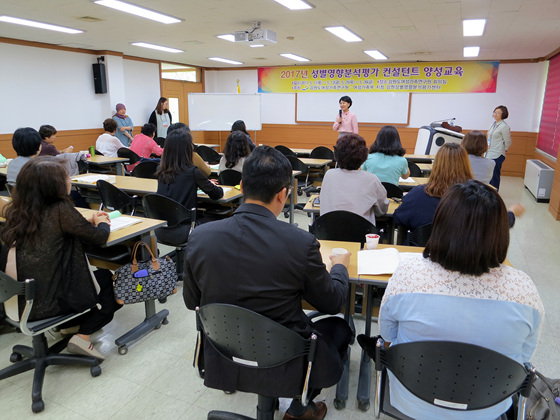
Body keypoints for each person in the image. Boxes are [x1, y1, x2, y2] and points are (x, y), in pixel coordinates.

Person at [183, 146, 352, 420]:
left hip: (224, 352)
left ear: (241, 184)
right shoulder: (300, 244)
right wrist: (340, 267)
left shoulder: (200, 237)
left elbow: (192, 302)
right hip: (284, 361)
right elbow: (333, 302)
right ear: (283, 194)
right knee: (339, 329)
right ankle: (300, 406)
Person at [359, 180, 544, 419]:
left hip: (412, 400)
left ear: (441, 225)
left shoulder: (407, 275)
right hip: (488, 407)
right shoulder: (524, 290)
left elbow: (388, 336)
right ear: (500, 232)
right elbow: (523, 357)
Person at [0, 157, 122, 360]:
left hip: (18, 300)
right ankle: (82, 336)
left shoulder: (18, 210)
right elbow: (99, 237)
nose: (70, 180)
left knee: (94, 278)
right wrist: (102, 222)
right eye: (66, 176)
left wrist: (83, 220)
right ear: (53, 185)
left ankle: (69, 326)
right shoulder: (59, 209)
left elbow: (49, 230)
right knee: (107, 281)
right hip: (48, 302)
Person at [156, 129, 223, 243]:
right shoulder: (192, 172)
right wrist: (207, 183)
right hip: (183, 231)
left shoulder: (160, 170)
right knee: (219, 218)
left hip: (160, 230)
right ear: (188, 149)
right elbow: (217, 194)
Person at [393, 143, 472, 231]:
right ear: (466, 165)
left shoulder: (418, 194)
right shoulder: (476, 198)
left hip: (423, 243)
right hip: (459, 244)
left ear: (436, 165)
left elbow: (398, 218)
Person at [320, 133, 389, 226]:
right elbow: (382, 210)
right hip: (361, 236)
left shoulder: (329, 175)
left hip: (328, 235)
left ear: (336, 154)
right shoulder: (371, 179)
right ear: (364, 156)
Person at [486, 105, 512, 190]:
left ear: (503, 114)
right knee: (489, 175)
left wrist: (505, 149)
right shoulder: (493, 124)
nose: (495, 114)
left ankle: (494, 194)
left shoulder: (504, 126)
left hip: (497, 154)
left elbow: (508, 141)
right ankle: (489, 192)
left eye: (498, 113)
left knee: (495, 175)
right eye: (495, 112)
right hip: (489, 152)